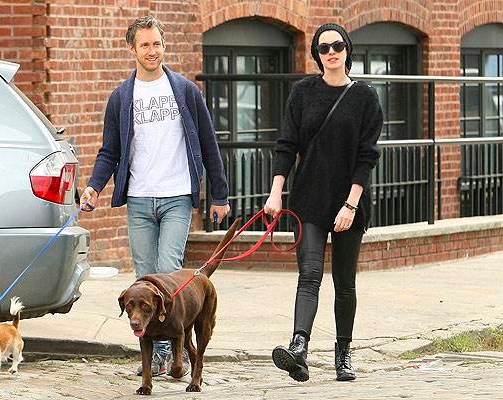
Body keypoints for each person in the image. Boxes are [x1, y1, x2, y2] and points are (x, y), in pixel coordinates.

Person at [80, 16, 230, 377]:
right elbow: (109, 151)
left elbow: (208, 143)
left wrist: (220, 195)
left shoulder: (184, 91)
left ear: (164, 46)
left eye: (157, 44)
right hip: (140, 198)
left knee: (168, 273)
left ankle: (163, 353)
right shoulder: (121, 97)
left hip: (177, 195)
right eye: (144, 45)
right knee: (145, 280)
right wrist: (93, 187)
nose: (152, 51)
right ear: (131, 48)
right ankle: (157, 349)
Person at [264, 23, 383, 383]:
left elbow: (367, 156)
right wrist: (275, 191)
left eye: (337, 46)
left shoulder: (365, 97)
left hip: (349, 201)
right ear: (316, 55)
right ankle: (298, 347)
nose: (331, 52)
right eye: (323, 48)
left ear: (347, 50)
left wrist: (350, 205)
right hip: (309, 199)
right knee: (309, 275)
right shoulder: (302, 93)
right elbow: (286, 145)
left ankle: (342, 355)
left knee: (345, 283)